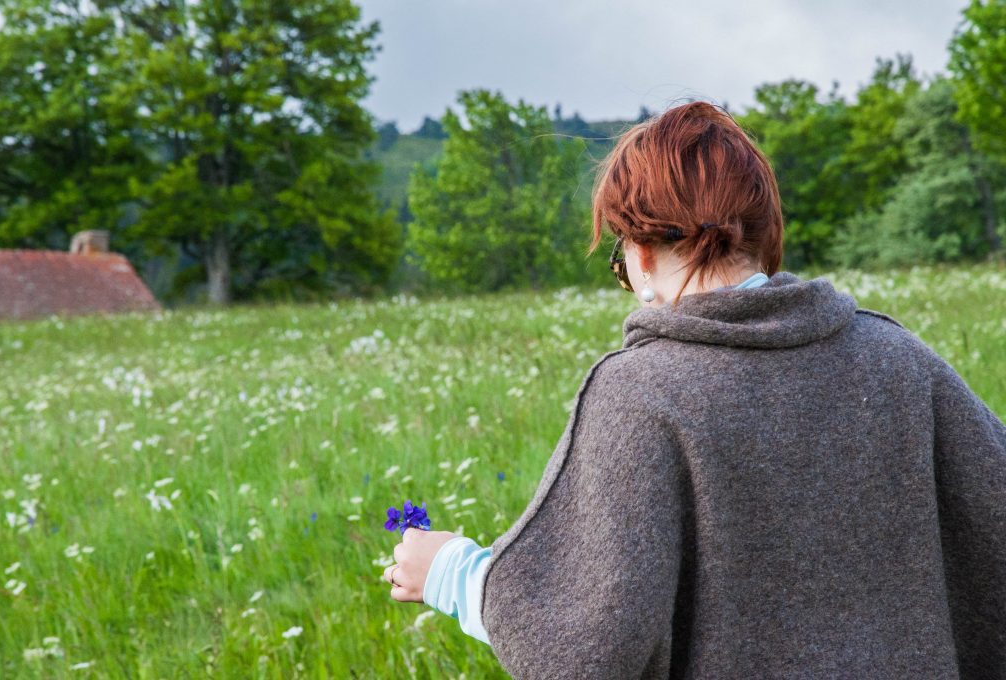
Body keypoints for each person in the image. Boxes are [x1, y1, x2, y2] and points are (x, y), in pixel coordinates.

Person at [382, 101, 1006, 678]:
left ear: (643, 253)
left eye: (618, 260)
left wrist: (452, 573)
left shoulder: (639, 393)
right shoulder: (902, 360)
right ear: (762, 238)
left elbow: (584, 650)